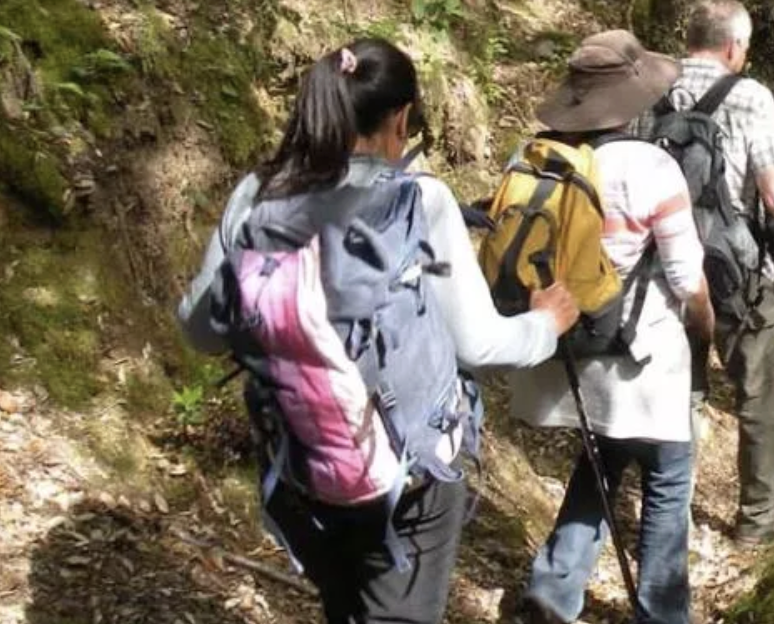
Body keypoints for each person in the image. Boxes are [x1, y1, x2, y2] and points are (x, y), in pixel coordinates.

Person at [176, 40, 580, 624]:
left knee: (344, 606)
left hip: (302, 462)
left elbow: (201, 331)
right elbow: (480, 345)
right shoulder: (421, 201)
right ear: (400, 119)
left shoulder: (258, 194)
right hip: (411, 472)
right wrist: (546, 325)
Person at [510, 31, 717, 624]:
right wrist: (706, 332)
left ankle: (552, 591)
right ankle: (662, 610)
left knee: (600, 462)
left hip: (570, 351)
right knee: (668, 478)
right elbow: (686, 278)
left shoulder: (537, 159)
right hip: (644, 357)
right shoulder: (651, 167)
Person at [644, 0, 774, 544]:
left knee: (682, 393)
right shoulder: (749, 96)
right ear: (734, 47)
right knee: (758, 397)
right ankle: (758, 520)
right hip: (734, 268)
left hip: (661, 266)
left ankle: (669, 517)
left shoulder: (654, 87)